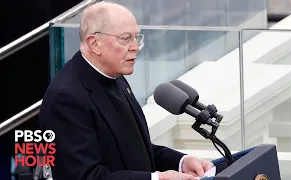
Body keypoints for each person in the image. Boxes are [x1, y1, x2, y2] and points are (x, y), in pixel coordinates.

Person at [38, 1, 214, 180]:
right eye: (125, 38)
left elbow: (136, 150)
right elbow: (86, 177)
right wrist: (157, 179)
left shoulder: (116, 76)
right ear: (95, 44)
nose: (135, 47)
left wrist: (181, 162)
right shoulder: (65, 99)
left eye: (136, 37)